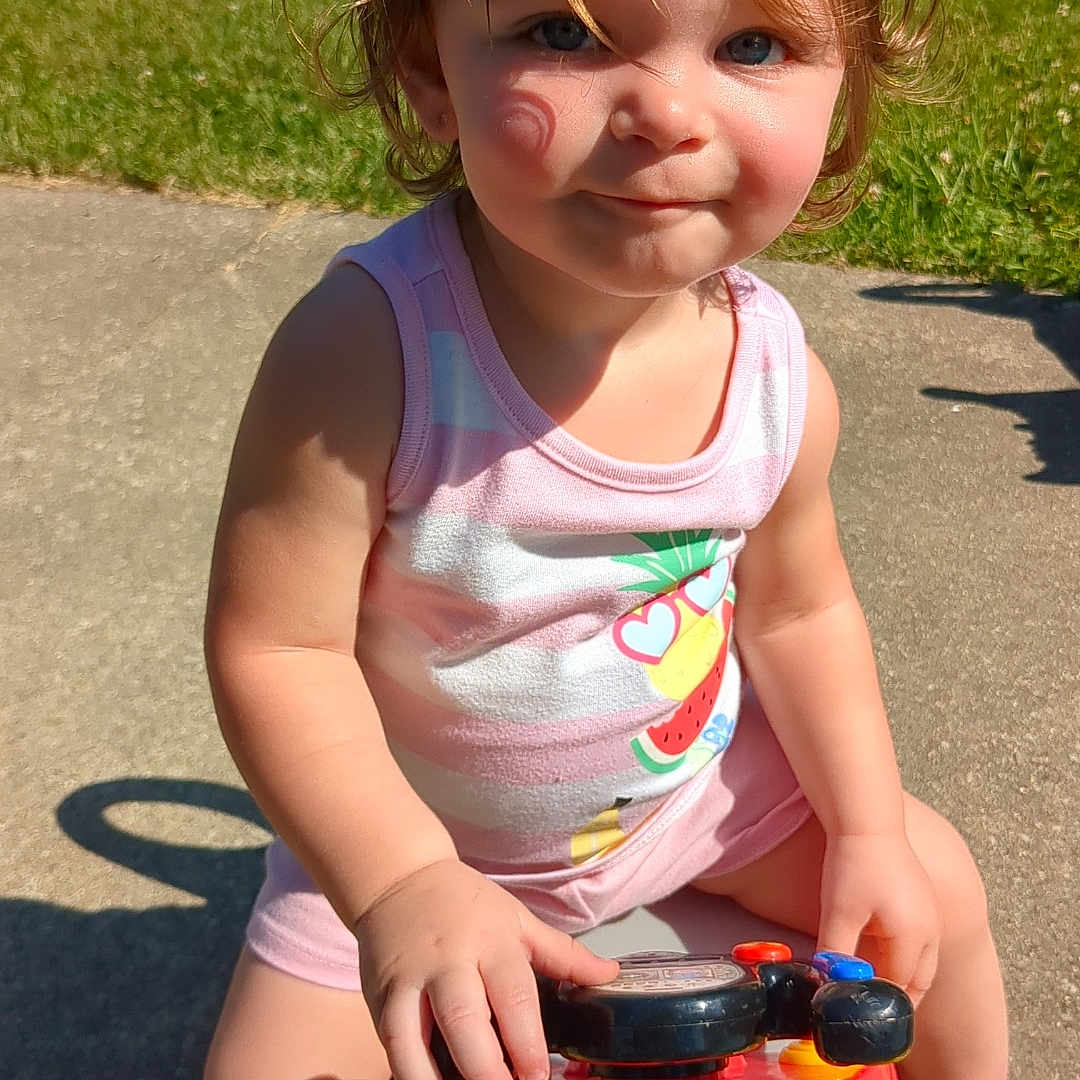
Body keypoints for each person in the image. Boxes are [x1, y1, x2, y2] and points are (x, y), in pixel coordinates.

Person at [203, 1, 1008, 1078]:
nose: (666, 111)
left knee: (936, 882)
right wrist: (400, 885)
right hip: (416, 841)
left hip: (684, 808)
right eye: (563, 33)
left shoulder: (774, 377)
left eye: (752, 45)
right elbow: (277, 649)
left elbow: (800, 610)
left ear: (846, 88)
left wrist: (865, 831)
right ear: (428, 71)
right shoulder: (366, 351)